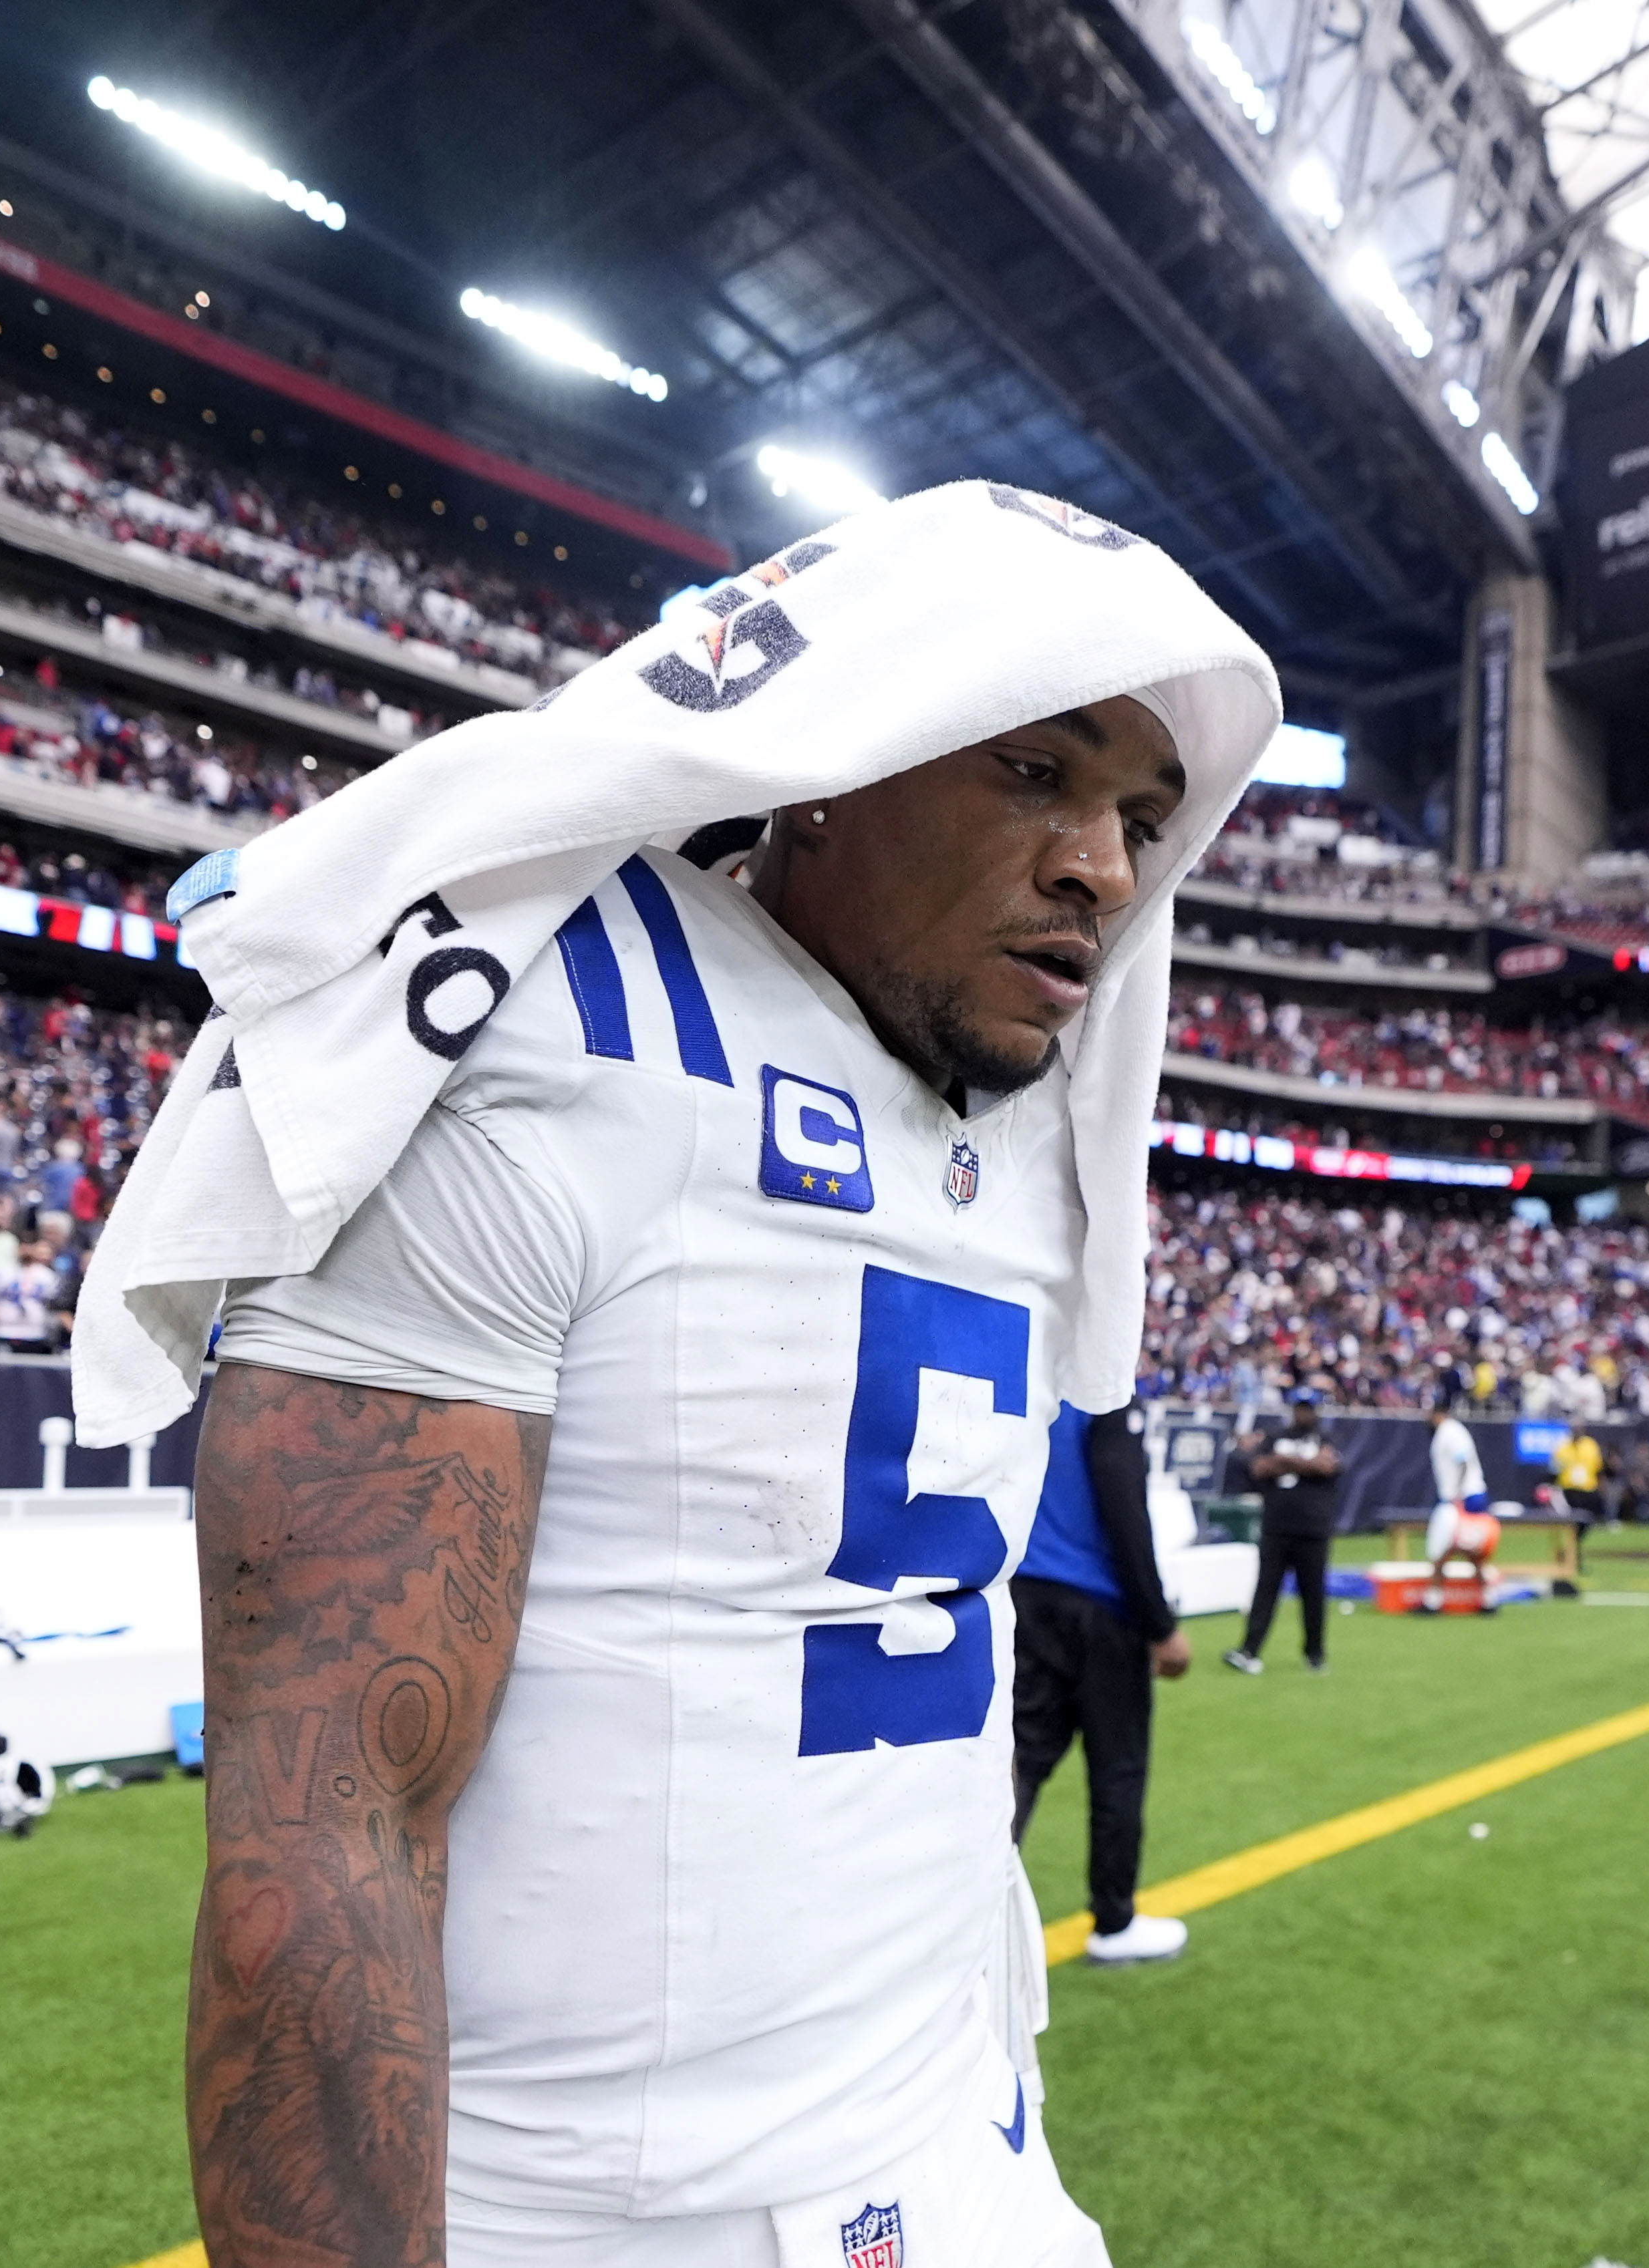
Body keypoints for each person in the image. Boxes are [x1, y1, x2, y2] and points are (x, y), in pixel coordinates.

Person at [183, 667, 1243, 2262]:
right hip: (604, 2215)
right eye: (1035, 769)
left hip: (961, 2115)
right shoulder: (554, 1022)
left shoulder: (1025, 1098)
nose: (1104, 865)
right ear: (833, 759)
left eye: (1144, 822)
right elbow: (326, 1819)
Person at [1012, 1400, 1191, 1966]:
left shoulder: (1034, 1381)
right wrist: (1159, 1624)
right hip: (1098, 1607)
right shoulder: (1104, 1393)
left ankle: (965, 1920)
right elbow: (1124, 1507)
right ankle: (1114, 1921)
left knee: (1019, 1763)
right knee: (1118, 1768)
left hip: (1026, 1593)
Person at [1230, 1392, 1342, 1674]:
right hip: (1276, 1527)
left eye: (1308, 1408)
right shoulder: (1274, 1436)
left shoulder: (1325, 1437)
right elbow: (1259, 1467)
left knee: (1313, 1595)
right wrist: (1307, 1464)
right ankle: (1249, 1649)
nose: (1303, 1413)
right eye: (1299, 1408)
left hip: (1313, 1529)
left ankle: (1315, 1654)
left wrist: (1283, 1462)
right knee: (1265, 1591)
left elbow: (1328, 1466)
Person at [1420, 1399, 1492, 1572]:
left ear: (1438, 1414)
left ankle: (1438, 1586)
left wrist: (1457, 1494)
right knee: (1461, 1547)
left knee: (1451, 1545)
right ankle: (1479, 1583)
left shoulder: (1450, 1431)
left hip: (1467, 1496)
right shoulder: (1447, 1431)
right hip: (1461, 1496)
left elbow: (1463, 1462)